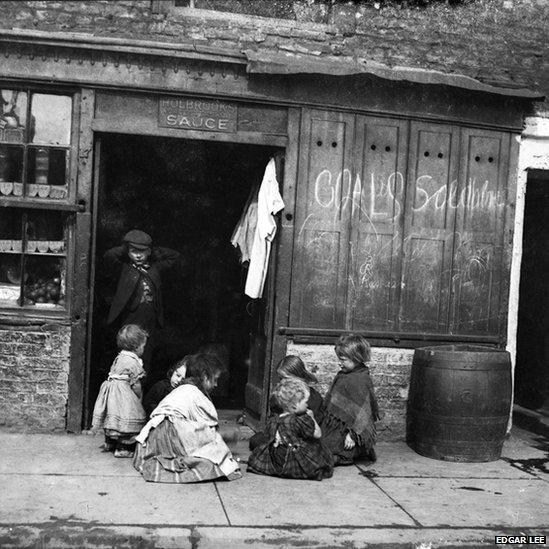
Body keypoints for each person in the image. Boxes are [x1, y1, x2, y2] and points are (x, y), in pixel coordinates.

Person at [133, 354, 241, 483]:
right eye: (215, 379)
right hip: (172, 436)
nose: (216, 384)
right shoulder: (196, 394)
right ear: (205, 376)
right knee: (217, 453)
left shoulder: (180, 390)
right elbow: (209, 423)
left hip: (154, 439)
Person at [103, 229, 180, 374]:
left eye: (142, 251)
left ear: (149, 252)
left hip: (150, 320)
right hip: (130, 318)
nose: (138, 255)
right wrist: (126, 249)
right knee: (127, 353)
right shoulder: (124, 268)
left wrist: (153, 251)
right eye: (133, 251)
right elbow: (109, 256)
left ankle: (140, 388)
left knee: (146, 357)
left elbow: (174, 256)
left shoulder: (154, 268)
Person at [247, 378, 334, 480]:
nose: (307, 405)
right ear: (294, 405)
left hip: (276, 460)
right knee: (319, 447)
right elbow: (318, 434)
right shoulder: (300, 420)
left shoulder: (274, 420)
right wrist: (312, 418)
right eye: (305, 402)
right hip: (296, 461)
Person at [320, 334, 379, 466]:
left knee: (327, 452)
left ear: (356, 358)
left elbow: (362, 414)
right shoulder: (344, 375)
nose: (339, 363)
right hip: (337, 426)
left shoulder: (359, 380)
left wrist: (353, 434)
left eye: (343, 359)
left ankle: (346, 455)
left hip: (349, 433)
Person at [91, 324, 148, 458]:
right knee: (128, 417)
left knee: (113, 415)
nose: (144, 349)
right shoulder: (134, 362)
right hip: (124, 393)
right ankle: (124, 448)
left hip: (112, 392)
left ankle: (109, 442)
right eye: (143, 346)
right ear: (136, 347)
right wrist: (139, 396)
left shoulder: (119, 357)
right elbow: (136, 383)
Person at [249, 355, 324, 451]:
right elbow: (273, 417)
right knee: (256, 440)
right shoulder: (281, 394)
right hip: (281, 433)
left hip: (300, 437)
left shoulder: (311, 397)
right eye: (280, 379)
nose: (283, 381)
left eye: (286, 378)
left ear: (298, 376)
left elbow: (314, 425)